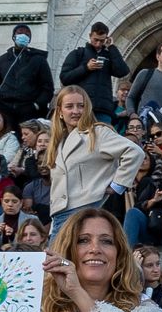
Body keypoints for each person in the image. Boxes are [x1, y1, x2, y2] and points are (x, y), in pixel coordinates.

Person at [44, 88, 144, 224]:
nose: (76, 111)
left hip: (83, 211)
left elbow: (135, 152)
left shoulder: (98, 132)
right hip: (59, 216)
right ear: (60, 111)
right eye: (69, 106)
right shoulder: (58, 141)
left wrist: (117, 186)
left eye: (81, 106)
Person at [57, 24, 129, 126]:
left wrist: (112, 47)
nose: (98, 44)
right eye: (96, 40)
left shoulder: (108, 55)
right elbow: (64, 78)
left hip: (104, 109)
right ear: (90, 35)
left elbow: (123, 71)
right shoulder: (78, 53)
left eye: (102, 40)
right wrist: (86, 68)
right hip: (83, 108)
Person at [0, 24, 56, 126]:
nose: (23, 35)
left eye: (26, 34)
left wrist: (36, 105)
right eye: (20, 33)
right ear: (14, 37)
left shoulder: (39, 60)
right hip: (5, 110)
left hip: (29, 111)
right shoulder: (2, 60)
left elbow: (47, 87)